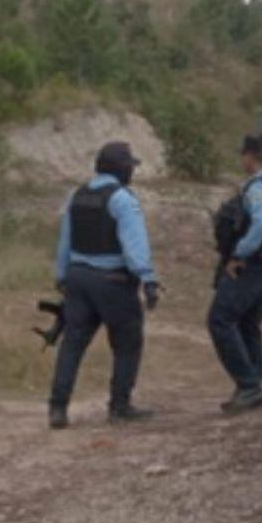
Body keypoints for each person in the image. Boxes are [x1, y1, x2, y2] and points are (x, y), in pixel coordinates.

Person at [48, 141, 161, 428]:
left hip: (77, 277)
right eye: (130, 167)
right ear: (121, 169)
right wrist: (148, 279)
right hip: (113, 282)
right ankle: (119, 406)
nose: (131, 172)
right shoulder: (122, 199)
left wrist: (62, 277)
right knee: (127, 344)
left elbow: (65, 241)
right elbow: (134, 246)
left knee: (72, 343)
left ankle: (58, 409)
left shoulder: (77, 195)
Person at [207, 135, 262, 414]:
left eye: (242, 154)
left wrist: (239, 254)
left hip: (253, 263)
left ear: (251, 155)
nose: (241, 160)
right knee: (247, 323)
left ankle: (249, 385)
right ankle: (254, 383)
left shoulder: (260, 187)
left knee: (220, 318)